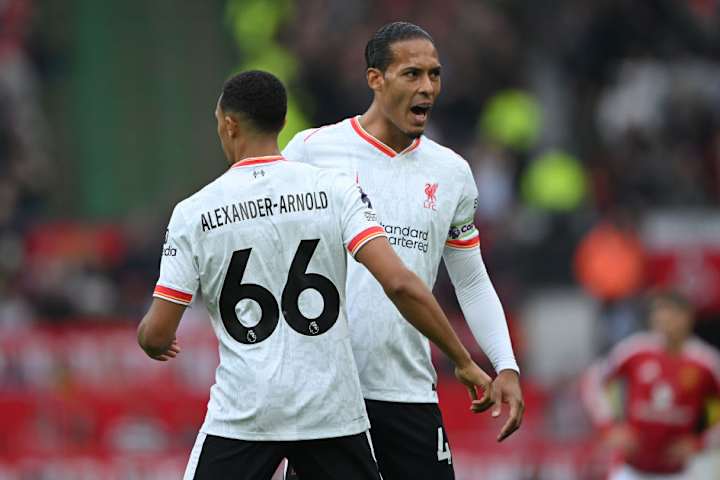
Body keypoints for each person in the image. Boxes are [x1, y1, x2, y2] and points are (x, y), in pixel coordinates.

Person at [136, 70, 496, 480]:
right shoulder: (335, 189)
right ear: (282, 123)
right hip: (330, 410)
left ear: (229, 124)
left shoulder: (195, 212)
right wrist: (463, 360)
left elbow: (158, 333)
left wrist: (151, 338)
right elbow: (399, 282)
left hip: (246, 411)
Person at [282, 21, 524, 479]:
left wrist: (505, 364)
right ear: (376, 79)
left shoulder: (451, 172)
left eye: (434, 74)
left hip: (408, 391)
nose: (427, 87)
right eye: (412, 74)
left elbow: (471, 280)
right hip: (329, 395)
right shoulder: (312, 153)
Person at [582, 292, 720, 479]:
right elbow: (593, 380)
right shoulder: (635, 350)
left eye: (670, 312)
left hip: (679, 472)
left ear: (687, 317)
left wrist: (701, 442)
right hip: (631, 469)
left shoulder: (705, 362)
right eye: (658, 312)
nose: (663, 318)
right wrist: (608, 427)